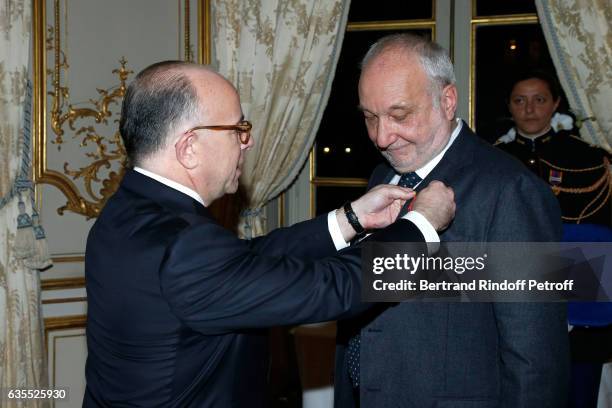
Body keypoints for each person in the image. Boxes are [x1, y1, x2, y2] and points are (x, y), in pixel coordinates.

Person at [83, 60, 456, 407]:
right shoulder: (186, 243)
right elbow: (333, 288)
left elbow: (247, 261)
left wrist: (351, 219)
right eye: (238, 129)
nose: (248, 142)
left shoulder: (126, 212)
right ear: (190, 148)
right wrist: (419, 226)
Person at [334, 34, 569, 407]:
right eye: (369, 117)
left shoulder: (513, 192)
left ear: (446, 101)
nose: (381, 137)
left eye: (399, 115)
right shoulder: (383, 177)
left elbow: (535, 357)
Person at [495, 70, 611, 226]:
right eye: (519, 101)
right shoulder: (493, 157)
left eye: (540, 100)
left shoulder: (587, 156)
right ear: (509, 106)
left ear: (555, 104)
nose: (529, 110)